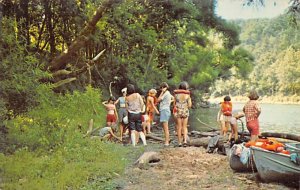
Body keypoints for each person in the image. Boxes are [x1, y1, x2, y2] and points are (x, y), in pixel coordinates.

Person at [173, 81, 192, 147]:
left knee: (179, 127)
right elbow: (189, 105)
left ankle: (179, 142)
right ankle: (185, 141)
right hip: (185, 111)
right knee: (185, 127)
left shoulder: (176, 94)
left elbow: (174, 104)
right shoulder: (187, 95)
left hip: (178, 111)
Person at [157, 82, 174, 146]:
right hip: (165, 110)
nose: (162, 89)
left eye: (163, 87)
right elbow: (173, 98)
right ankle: (167, 139)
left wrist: (161, 93)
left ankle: (167, 142)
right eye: (161, 88)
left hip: (164, 110)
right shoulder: (168, 93)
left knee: (165, 127)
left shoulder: (166, 93)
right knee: (164, 127)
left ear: (166, 87)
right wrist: (169, 102)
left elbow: (158, 100)